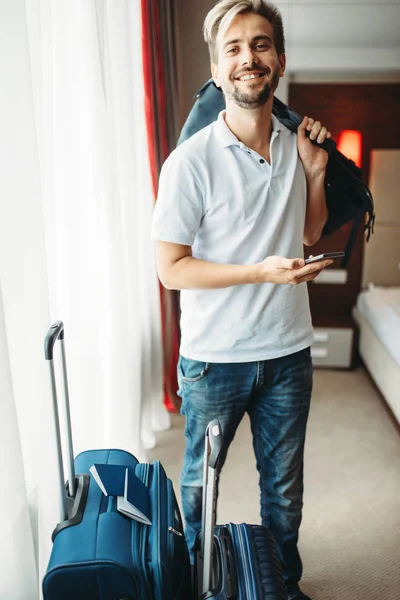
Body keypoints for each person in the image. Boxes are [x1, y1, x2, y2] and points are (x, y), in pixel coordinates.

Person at [152, 1, 333, 598]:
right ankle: (200, 586)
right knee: (201, 487)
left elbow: (310, 235)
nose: (247, 58)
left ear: (279, 60)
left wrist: (312, 174)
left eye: (260, 45)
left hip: (288, 352)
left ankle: (279, 588)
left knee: (284, 492)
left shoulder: (296, 144)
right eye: (233, 48)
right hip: (213, 359)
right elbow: (171, 269)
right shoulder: (190, 163)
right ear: (216, 66)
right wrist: (258, 273)